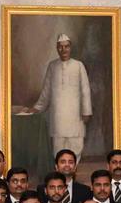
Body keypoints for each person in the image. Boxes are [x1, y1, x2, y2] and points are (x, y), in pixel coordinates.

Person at [25, 33, 93, 162]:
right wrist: (37, 108)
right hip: (58, 117)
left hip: (75, 116)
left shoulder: (78, 65)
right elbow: (46, 91)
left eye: (66, 46)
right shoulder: (52, 66)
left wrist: (86, 111)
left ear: (70, 47)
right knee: (58, 148)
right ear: (57, 48)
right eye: (60, 47)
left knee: (76, 146)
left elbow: (85, 90)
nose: (64, 50)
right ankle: (60, 175)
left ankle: (72, 174)